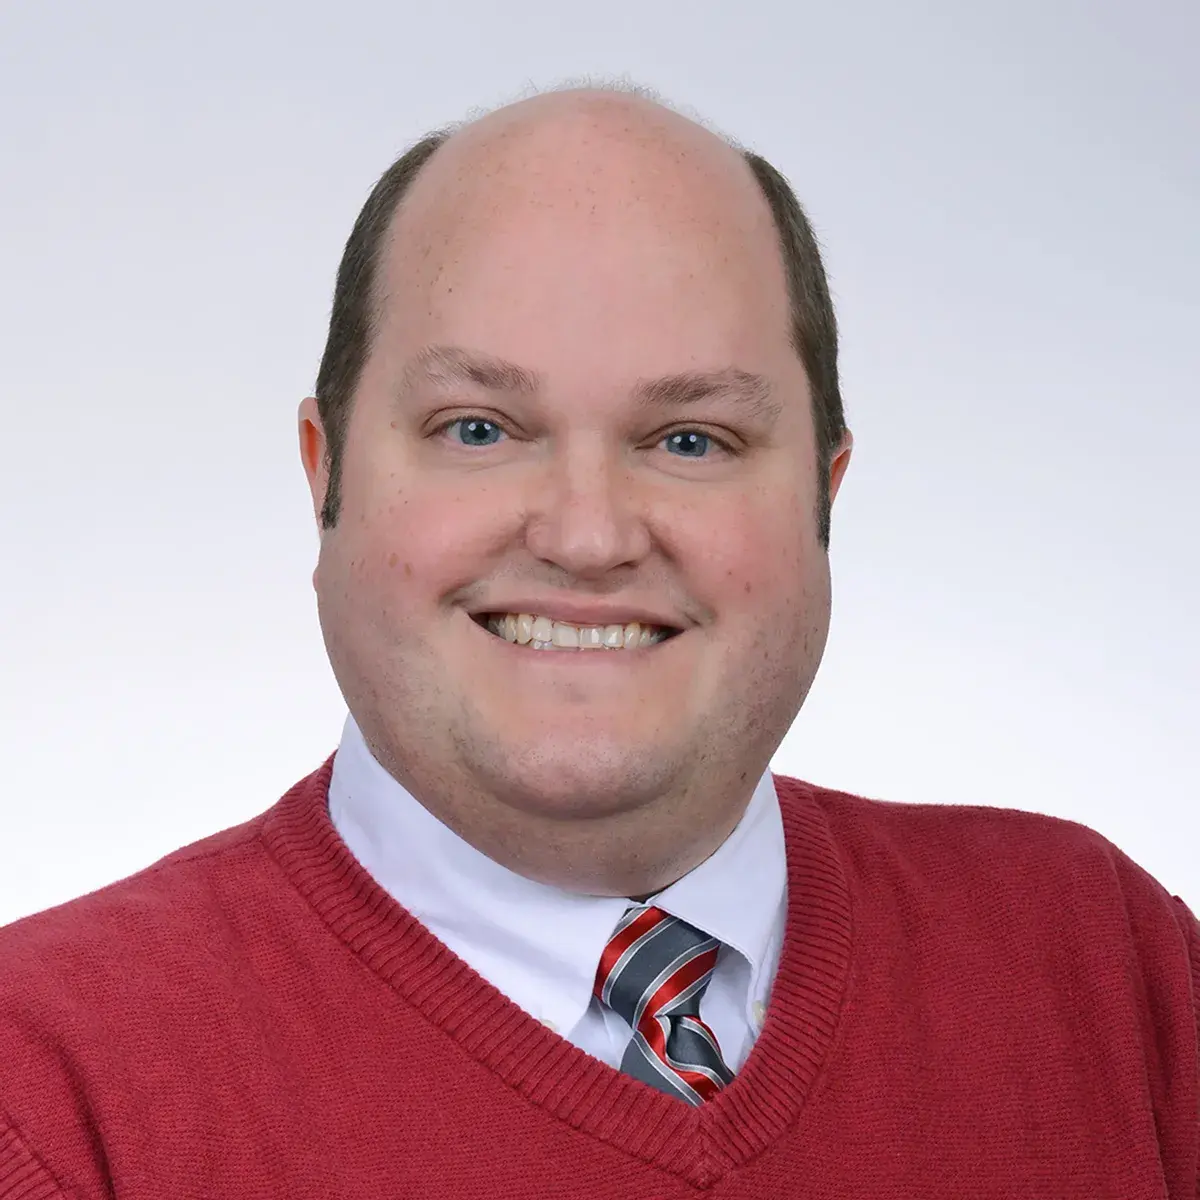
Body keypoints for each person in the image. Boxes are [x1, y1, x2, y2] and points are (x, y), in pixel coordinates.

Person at [0, 84, 1195, 1200]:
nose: (586, 536)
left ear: (825, 497)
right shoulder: (52, 1094)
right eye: (478, 427)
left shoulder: (1113, 972)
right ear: (326, 478)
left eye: (690, 440)